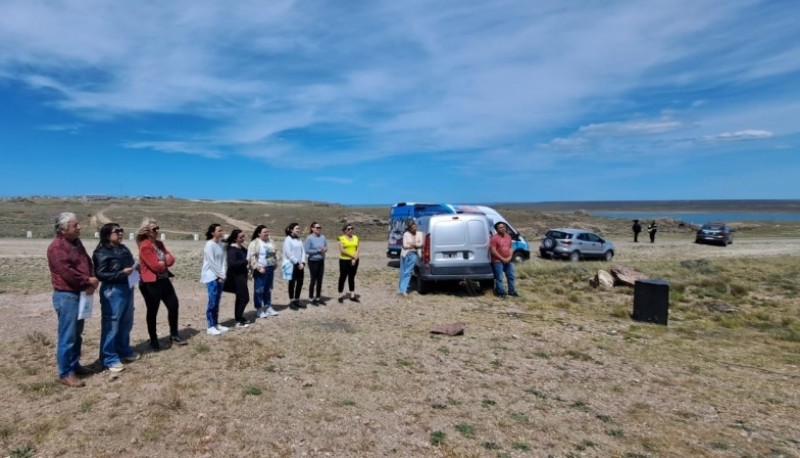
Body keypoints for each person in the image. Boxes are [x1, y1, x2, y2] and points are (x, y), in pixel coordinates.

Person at [47, 212, 99, 387]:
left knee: (77, 334)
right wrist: (88, 281)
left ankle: (74, 364)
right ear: (62, 229)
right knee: (67, 336)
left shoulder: (76, 243)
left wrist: (92, 279)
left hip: (81, 293)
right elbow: (67, 272)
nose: (79, 227)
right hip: (67, 295)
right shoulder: (56, 247)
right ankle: (65, 373)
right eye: (75, 225)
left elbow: (87, 262)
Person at [92, 223, 137, 373]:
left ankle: (123, 350)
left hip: (127, 287)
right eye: (116, 231)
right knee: (112, 324)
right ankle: (108, 358)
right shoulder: (101, 252)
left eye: (121, 230)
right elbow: (100, 274)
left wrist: (136, 271)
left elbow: (131, 265)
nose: (120, 233)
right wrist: (122, 273)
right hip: (113, 290)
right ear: (107, 235)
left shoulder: (124, 249)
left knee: (126, 322)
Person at [136, 218, 187, 350]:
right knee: (153, 311)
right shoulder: (145, 246)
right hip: (150, 283)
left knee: (173, 305)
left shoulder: (159, 243)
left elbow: (171, 259)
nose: (157, 231)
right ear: (147, 231)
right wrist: (164, 261)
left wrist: (163, 262)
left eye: (158, 228)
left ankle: (174, 335)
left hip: (164, 280)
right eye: (154, 229)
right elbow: (154, 266)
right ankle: (153, 339)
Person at [247, 225, 279, 319]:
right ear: (259, 233)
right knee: (259, 290)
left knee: (268, 289)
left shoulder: (270, 242)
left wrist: (275, 262)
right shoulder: (255, 243)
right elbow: (251, 257)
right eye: (264, 232)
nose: (267, 233)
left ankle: (268, 307)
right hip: (260, 270)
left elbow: (274, 252)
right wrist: (257, 267)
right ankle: (259, 309)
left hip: (270, 268)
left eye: (267, 232)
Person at [201, 223, 228, 336]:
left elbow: (223, 261)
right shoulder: (209, 245)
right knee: (212, 302)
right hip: (210, 276)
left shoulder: (221, 244)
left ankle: (216, 324)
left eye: (222, 230)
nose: (221, 232)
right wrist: (221, 275)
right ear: (213, 233)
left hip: (220, 276)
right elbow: (211, 263)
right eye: (219, 231)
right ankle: (210, 326)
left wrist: (223, 274)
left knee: (217, 302)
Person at [224, 229, 250, 328]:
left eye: (243, 236)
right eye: (241, 237)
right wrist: (245, 261)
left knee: (240, 298)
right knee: (245, 298)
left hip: (243, 276)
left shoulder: (242, 248)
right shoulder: (232, 249)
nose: (243, 238)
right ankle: (238, 320)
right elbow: (232, 264)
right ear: (235, 238)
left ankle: (238, 317)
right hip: (236, 277)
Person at [489, 222, 518, 298]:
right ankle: (501, 293)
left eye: (504, 227)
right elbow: (493, 250)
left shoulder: (508, 236)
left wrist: (510, 257)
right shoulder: (494, 238)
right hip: (498, 261)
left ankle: (511, 291)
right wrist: (502, 258)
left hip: (508, 260)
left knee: (511, 276)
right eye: (500, 227)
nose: (503, 228)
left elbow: (511, 248)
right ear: (497, 229)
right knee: (499, 277)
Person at [283, 222, 306, 310]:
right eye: (297, 228)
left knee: (300, 283)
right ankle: (292, 301)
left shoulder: (299, 239)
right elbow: (289, 254)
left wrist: (303, 263)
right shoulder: (288, 239)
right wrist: (297, 263)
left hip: (300, 265)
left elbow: (303, 251)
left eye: (299, 229)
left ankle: (297, 300)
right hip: (292, 265)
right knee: (292, 283)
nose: (298, 230)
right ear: (292, 230)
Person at [304, 222, 327, 305]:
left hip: (321, 261)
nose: (318, 229)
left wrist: (324, 249)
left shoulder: (323, 237)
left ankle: (318, 298)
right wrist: (317, 250)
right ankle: (311, 298)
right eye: (317, 227)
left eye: (319, 227)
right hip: (313, 261)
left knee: (320, 280)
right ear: (312, 229)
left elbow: (326, 247)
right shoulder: (309, 238)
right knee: (313, 280)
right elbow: (307, 250)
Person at [337, 223, 361, 303]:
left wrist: (355, 257)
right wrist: (352, 256)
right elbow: (342, 250)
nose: (350, 230)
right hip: (344, 260)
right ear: (344, 231)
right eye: (348, 229)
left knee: (352, 277)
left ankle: (352, 295)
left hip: (354, 260)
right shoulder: (341, 238)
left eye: (351, 228)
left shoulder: (356, 237)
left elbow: (358, 248)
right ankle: (340, 296)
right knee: (343, 277)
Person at [398, 221, 423, 296]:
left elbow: (420, 243)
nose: (414, 228)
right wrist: (415, 244)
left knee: (408, 271)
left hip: (414, 254)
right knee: (403, 271)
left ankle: (403, 289)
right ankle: (400, 288)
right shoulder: (406, 234)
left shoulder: (419, 234)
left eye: (415, 226)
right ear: (409, 229)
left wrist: (412, 244)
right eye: (412, 227)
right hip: (405, 254)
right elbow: (405, 245)